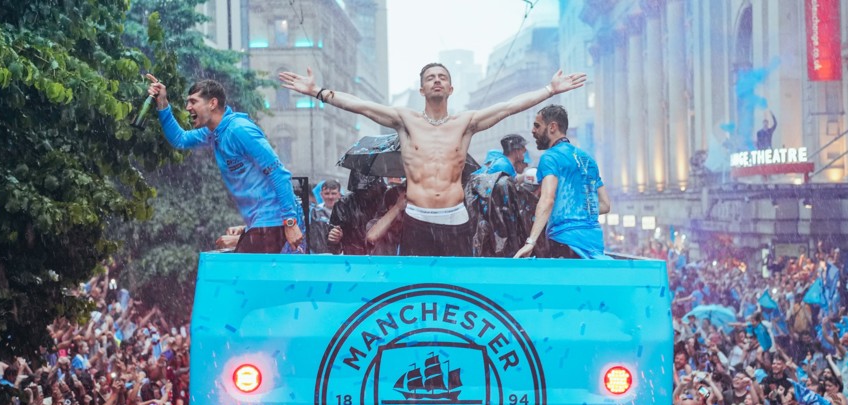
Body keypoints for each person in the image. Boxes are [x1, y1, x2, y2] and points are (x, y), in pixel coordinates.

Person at [279, 64, 585, 257]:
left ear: (450, 89)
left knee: (457, 293)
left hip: (455, 220)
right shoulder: (405, 120)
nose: (436, 81)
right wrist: (317, 92)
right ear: (422, 89)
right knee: (416, 291)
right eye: (430, 78)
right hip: (417, 219)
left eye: (442, 78)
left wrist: (550, 90)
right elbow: (360, 106)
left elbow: (507, 107)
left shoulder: (466, 122)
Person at [145, 75, 303, 253]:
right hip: (260, 224)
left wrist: (290, 222)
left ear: (212, 103)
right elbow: (179, 139)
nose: (188, 107)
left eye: (193, 102)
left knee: (236, 277)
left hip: (272, 221)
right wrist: (162, 101)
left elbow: (278, 173)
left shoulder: (239, 129)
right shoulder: (212, 133)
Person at [514, 105, 610, 259]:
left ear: (552, 127)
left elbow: (547, 200)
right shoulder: (588, 159)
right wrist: (577, 210)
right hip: (594, 244)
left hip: (564, 242)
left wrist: (530, 242)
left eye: (537, 125)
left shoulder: (550, 157)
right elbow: (605, 205)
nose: (533, 130)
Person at [307, 180, 341, 253]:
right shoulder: (313, 211)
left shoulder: (346, 212)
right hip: (317, 257)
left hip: (340, 257)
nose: (330, 197)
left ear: (339, 194)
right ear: (321, 194)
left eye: (333, 193)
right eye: (327, 193)